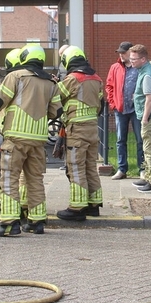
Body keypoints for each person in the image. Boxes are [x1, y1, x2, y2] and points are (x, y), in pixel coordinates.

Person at [0, 43, 62, 236]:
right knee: (35, 179)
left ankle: (10, 223)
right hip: (38, 139)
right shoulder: (51, 83)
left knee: (10, 179)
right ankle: (36, 222)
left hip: (16, 138)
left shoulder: (15, 76)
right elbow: (57, 111)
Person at [55, 47, 105, 221]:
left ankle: (77, 207)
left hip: (77, 130)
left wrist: (55, 83)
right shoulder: (97, 78)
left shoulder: (73, 79)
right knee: (90, 166)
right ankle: (94, 204)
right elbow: (101, 104)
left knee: (76, 167)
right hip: (92, 128)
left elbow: (56, 96)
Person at [0, 48, 26, 213]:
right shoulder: (32, 81)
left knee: (7, 171)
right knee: (23, 174)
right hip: (29, 133)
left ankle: (2, 201)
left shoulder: (9, 80)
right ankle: (21, 205)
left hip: (10, 133)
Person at [127, 45, 151, 192]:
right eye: (130, 58)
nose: (131, 61)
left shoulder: (147, 74)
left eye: (134, 59)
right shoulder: (145, 70)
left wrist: (144, 118)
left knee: (149, 149)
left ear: (143, 59)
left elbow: (150, 99)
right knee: (148, 147)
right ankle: (149, 178)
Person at [104, 41, 144, 179]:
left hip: (136, 109)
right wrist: (113, 103)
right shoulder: (115, 67)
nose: (121, 55)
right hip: (120, 109)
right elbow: (109, 86)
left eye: (123, 52)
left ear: (130, 52)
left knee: (140, 139)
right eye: (120, 52)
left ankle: (142, 169)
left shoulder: (138, 67)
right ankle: (122, 169)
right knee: (121, 140)